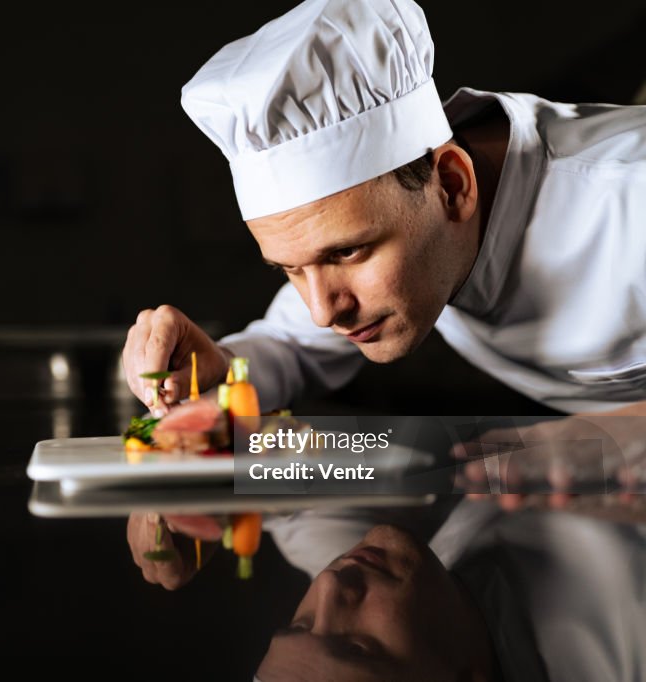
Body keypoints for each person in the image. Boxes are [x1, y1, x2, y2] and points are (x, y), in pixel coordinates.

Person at [120, 0, 646, 488]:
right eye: (290, 270)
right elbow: (293, 349)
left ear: (453, 186)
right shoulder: (384, 235)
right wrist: (219, 367)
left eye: (346, 253)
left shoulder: (629, 195)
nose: (324, 310)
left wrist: (621, 438)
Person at [128, 499, 646, 681]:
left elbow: (300, 492)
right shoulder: (628, 635)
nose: (329, 585)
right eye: (358, 647)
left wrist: (210, 489)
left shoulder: (408, 597)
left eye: (298, 625)